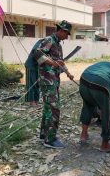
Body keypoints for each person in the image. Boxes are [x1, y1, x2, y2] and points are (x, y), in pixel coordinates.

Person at [34, 20, 74, 149]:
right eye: (66, 34)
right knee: (54, 108)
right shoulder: (49, 40)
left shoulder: (58, 44)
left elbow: (60, 62)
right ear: (61, 30)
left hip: (53, 80)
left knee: (48, 108)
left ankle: (43, 135)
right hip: (47, 80)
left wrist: (67, 73)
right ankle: (50, 140)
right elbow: (37, 53)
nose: (67, 37)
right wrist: (51, 63)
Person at [25, 39, 42, 107]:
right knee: (31, 83)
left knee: (37, 83)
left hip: (37, 66)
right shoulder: (42, 43)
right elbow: (36, 53)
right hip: (31, 66)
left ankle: (36, 100)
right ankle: (31, 101)